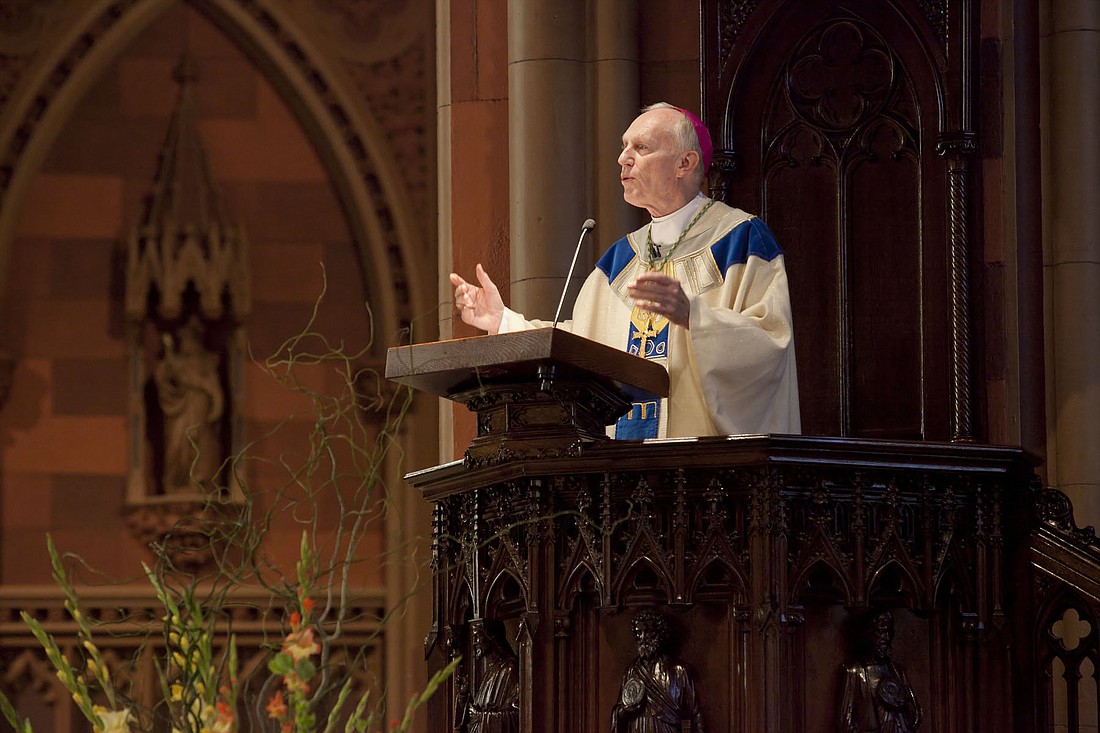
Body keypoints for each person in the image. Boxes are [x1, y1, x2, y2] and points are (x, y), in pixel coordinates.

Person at [450, 102, 799, 439]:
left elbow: (770, 344)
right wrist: (502, 321)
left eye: (641, 147)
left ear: (684, 162)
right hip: (619, 477)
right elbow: (580, 346)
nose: (623, 158)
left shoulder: (741, 239)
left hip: (704, 474)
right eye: (623, 146)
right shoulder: (621, 259)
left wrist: (696, 317)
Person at [154, 317, 224, 493]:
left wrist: (216, 404)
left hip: (200, 408)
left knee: (198, 441)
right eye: (183, 341)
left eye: (189, 341)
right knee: (178, 443)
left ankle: (199, 483)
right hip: (180, 411)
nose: (185, 345)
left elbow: (213, 387)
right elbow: (168, 376)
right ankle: (177, 483)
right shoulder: (177, 362)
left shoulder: (207, 362)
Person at [611, 609, 703, 733]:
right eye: (639, 633)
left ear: (659, 634)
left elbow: (695, 713)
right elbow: (620, 710)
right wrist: (624, 711)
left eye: (648, 632)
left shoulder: (679, 670)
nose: (643, 638)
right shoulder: (632, 669)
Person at [838, 610, 922, 733]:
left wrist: (901, 706)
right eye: (881, 632)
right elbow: (845, 723)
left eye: (888, 632)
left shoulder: (896, 670)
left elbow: (915, 715)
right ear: (867, 635)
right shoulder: (854, 672)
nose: (886, 638)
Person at [460, 619, 520, 733]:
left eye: (478, 636)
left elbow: (519, 715)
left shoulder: (510, 669)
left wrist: (482, 717)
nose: (474, 642)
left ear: (491, 636)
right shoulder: (490, 670)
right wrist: (464, 695)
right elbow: (478, 710)